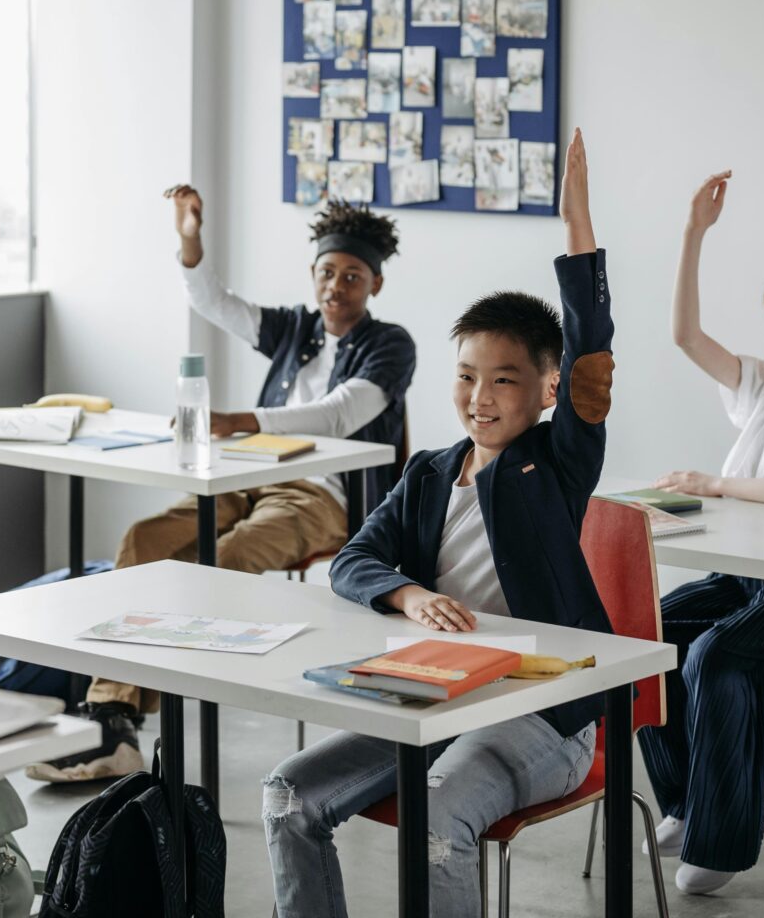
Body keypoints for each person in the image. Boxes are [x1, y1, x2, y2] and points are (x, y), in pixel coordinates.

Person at [262, 129, 611, 918]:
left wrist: (577, 228)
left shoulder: (556, 465)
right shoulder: (428, 473)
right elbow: (352, 560)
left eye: (505, 379)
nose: (480, 395)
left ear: (547, 390)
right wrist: (410, 595)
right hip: (434, 696)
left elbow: (592, 352)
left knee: (435, 817)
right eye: (466, 376)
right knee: (288, 796)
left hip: (542, 713)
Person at [29, 190, 416, 784]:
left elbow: (341, 413)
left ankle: (116, 718)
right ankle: (113, 716)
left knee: (223, 558)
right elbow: (214, 301)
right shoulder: (295, 329)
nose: (337, 286)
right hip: (247, 477)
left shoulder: (390, 345)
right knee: (147, 538)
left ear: (376, 285)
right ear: (314, 276)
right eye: (327, 273)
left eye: (353, 276)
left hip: (324, 498)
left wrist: (242, 420)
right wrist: (190, 238)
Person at [636, 171, 764, 895]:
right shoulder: (763, 387)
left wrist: (716, 485)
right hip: (750, 576)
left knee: (718, 653)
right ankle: (687, 803)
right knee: (643, 636)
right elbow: (684, 334)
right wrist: (693, 234)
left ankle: (721, 843)